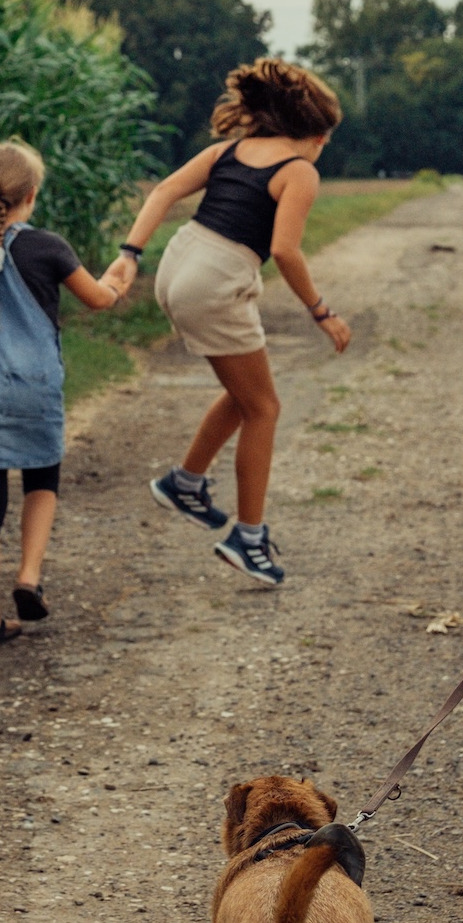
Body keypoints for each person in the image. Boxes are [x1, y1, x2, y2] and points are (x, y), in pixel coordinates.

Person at [100, 59, 351, 589]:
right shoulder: (300, 172)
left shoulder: (229, 151)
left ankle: (186, 482)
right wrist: (321, 312)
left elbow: (163, 192)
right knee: (265, 408)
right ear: (309, 131)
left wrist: (130, 254)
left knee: (246, 396)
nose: (324, 147)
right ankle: (250, 538)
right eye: (326, 137)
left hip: (178, 264)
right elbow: (284, 249)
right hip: (216, 280)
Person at [0, 142, 123, 646]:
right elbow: (99, 299)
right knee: (43, 477)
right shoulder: (49, 248)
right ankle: (29, 576)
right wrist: (119, 277)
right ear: (31, 195)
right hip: (35, 388)